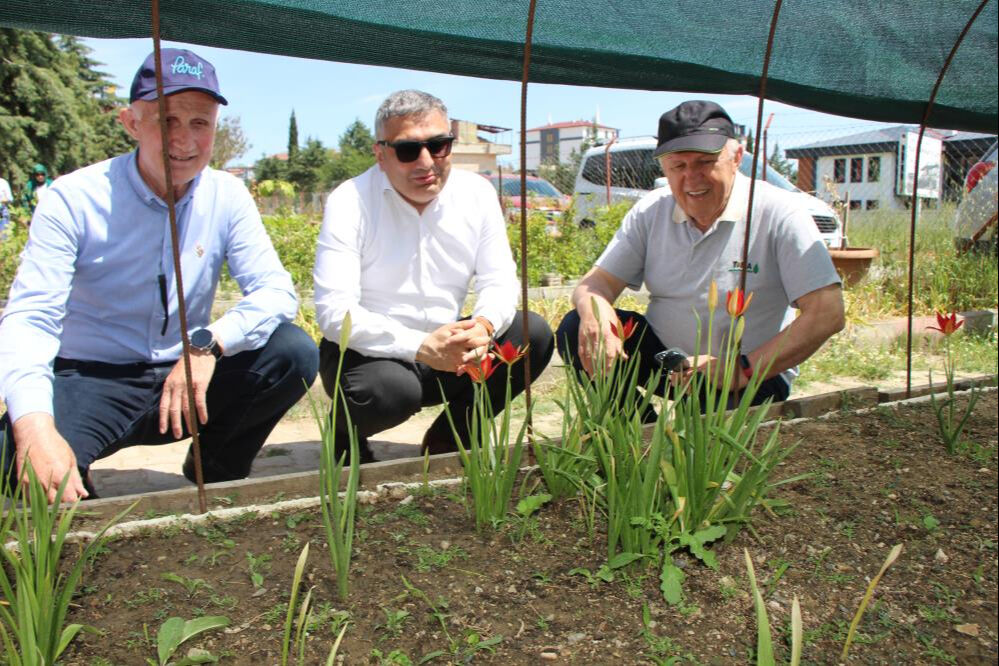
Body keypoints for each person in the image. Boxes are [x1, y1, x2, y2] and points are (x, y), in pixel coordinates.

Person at [0, 48, 318, 503]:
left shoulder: (226, 194)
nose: (184, 140)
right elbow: (31, 318)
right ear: (131, 123)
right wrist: (33, 428)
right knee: (14, 456)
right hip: (91, 378)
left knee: (292, 352)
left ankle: (219, 465)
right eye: (166, 120)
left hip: (186, 376)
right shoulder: (73, 199)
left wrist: (206, 344)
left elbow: (276, 292)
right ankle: (74, 480)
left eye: (199, 123)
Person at [313, 90, 554, 462]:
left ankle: (450, 434)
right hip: (370, 353)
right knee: (386, 391)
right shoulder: (350, 201)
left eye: (439, 145)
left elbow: (499, 280)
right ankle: (346, 436)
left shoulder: (477, 193)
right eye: (408, 150)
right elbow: (334, 313)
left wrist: (484, 325)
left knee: (531, 335)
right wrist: (422, 346)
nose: (427, 162)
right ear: (380, 154)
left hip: (448, 346)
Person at [557, 100, 844, 408]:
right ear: (664, 168)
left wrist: (742, 369)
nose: (691, 178)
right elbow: (595, 284)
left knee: (706, 442)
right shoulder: (652, 210)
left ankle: (684, 432)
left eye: (705, 162)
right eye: (678, 166)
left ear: (736, 158)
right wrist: (595, 315)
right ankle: (638, 438)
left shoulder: (779, 213)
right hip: (670, 360)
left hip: (750, 372)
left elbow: (827, 312)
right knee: (575, 328)